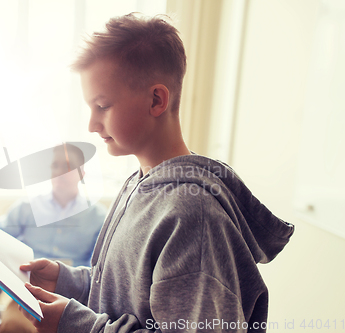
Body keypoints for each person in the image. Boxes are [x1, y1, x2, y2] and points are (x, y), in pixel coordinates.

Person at [18, 14, 295, 333]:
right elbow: (119, 292)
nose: (91, 125)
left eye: (103, 106)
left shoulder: (193, 219)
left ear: (156, 100)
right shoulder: (140, 186)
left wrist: (77, 325)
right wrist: (64, 279)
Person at [0, 143, 106, 333]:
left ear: (82, 173)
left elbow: (100, 269)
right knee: (13, 327)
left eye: (68, 166)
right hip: (28, 292)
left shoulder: (98, 217)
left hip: (74, 299)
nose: (60, 172)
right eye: (55, 166)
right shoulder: (27, 207)